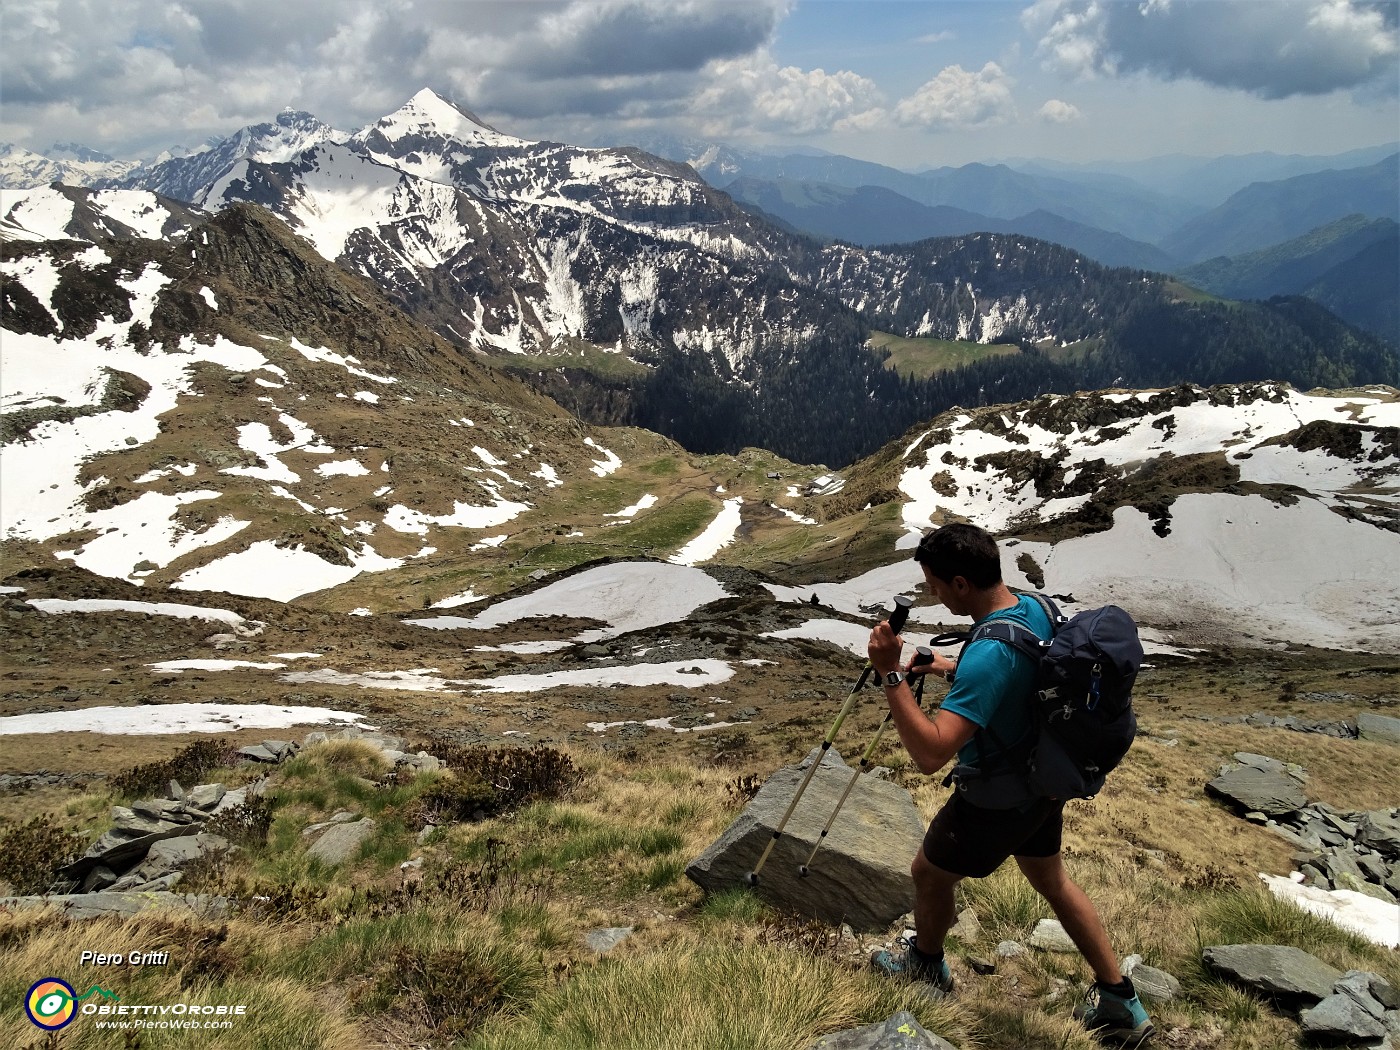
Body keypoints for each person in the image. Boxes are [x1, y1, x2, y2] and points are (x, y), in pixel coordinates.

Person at [866, 523, 1154, 1048]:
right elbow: (1022, 671)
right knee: (1052, 880)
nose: (930, 592)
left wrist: (890, 674)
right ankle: (1120, 998)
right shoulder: (1033, 607)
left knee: (928, 873)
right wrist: (949, 664)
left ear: (959, 583)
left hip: (998, 796)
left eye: (933, 583)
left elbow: (932, 753)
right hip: (1043, 782)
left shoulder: (988, 653)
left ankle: (926, 965)